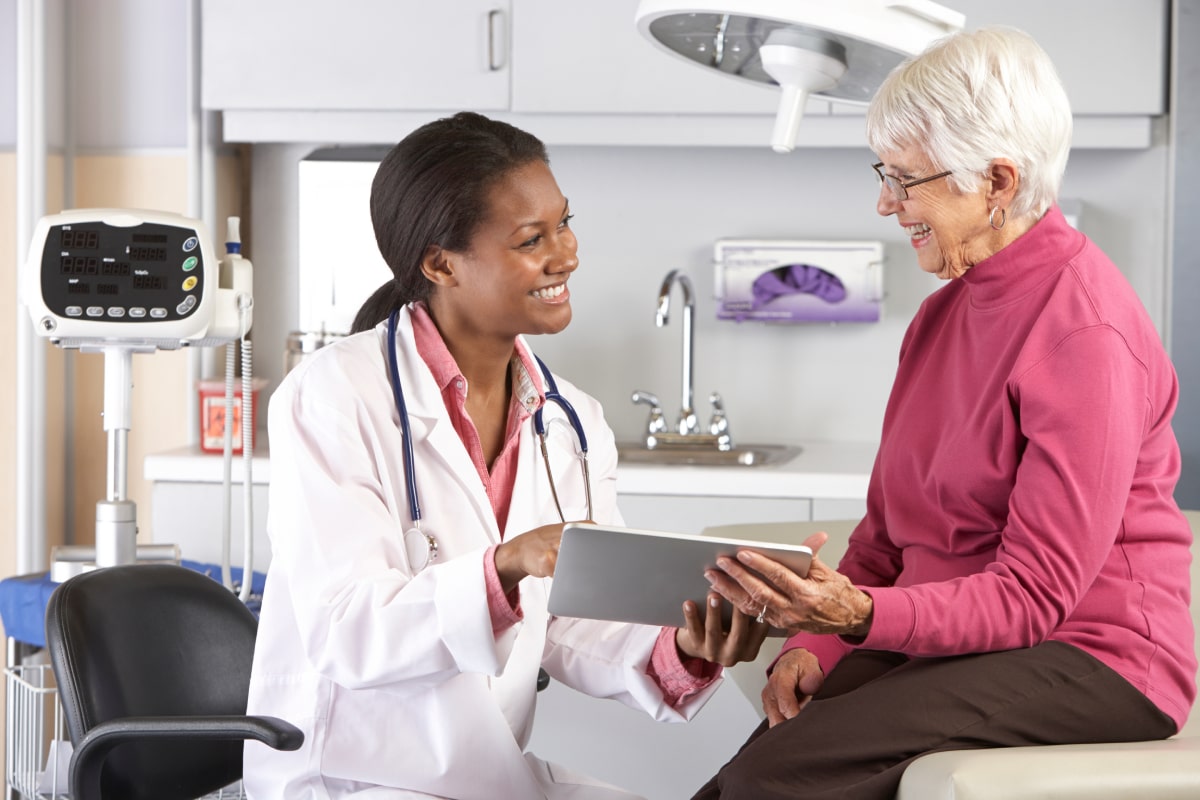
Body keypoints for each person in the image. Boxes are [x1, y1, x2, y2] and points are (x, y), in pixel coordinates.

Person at [693, 26, 1196, 800]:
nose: (886, 203)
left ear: (997, 180)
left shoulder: (1085, 334)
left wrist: (858, 616)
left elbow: (1032, 597)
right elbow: (886, 536)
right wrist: (818, 647)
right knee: (738, 775)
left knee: (771, 781)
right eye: (883, 174)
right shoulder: (941, 318)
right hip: (967, 642)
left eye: (905, 180)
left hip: (1094, 656)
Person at [243, 111, 769, 799]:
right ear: (440, 263)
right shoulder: (335, 395)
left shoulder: (570, 420)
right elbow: (348, 630)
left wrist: (685, 649)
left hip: (489, 773)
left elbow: (577, 621)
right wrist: (507, 567)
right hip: (354, 777)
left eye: (564, 223)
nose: (567, 254)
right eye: (532, 239)